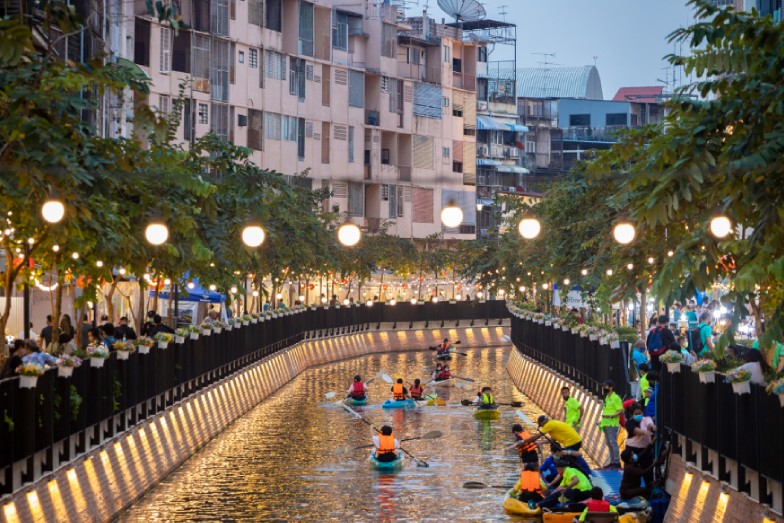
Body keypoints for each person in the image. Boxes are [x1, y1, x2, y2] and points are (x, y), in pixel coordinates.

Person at [624, 403, 657, 487]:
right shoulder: (629, 423)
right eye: (636, 414)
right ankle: (633, 488)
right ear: (632, 415)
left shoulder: (646, 419)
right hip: (632, 449)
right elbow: (636, 431)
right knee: (632, 471)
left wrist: (652, 427)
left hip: (646, 449)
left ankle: (649, 488)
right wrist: (645, 432)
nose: (639, 415)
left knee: (648, 471)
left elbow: (650, 424)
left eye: (640, 413)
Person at [599, 380, 623, 469]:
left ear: (611, 387)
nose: (604, 388)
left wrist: (611, 416)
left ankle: (616, 462)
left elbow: (620, 410)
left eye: (605, 386)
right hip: (605, 423)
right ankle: (612, 461)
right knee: (608, 443)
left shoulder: (615, 398)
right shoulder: (607, 397)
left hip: (612, 424)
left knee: (613, 442)